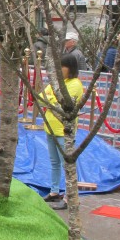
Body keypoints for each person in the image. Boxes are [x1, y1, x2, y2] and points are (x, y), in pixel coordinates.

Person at [40, 53, 84, 204]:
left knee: (67, 165)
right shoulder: (55, 82)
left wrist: (50, 99)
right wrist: (49, 99)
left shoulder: (75, 84)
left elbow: (63, 104)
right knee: (54, 162)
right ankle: (54, 191)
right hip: (50, 127)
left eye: (62, 67)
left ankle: (69, 196)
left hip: (64, 130)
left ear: (70, 68)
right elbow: (41, 97)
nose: (59, 69)